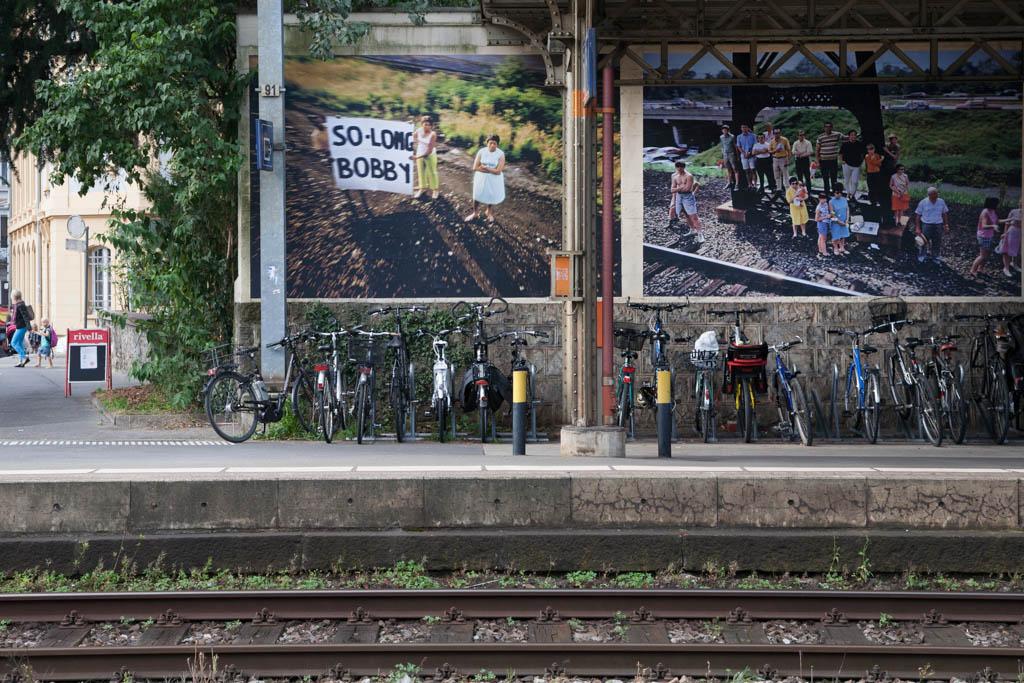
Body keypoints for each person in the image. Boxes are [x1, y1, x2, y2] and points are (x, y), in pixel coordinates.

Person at [465, 135, 506, 223]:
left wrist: (486, 168)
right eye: (490, 143)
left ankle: (489, 212)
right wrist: (492, 170)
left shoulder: (501, 154)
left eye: (494, 143)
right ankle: (475, 213)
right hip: (481, 177)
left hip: (494, 179)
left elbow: (498, 171)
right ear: (487, 143)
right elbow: (475, 167)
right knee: (477, 194)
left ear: (497, 145)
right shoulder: (481, 151)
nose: (492, 145)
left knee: (491, 194)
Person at [669, 161, 705, 243]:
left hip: (687, 197)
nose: (679, 169)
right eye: (677, 167)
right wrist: (681, 187)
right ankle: (692, 229)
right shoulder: (675, 176)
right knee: (685, 214)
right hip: (679, 197)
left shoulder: (689, 176)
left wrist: (679, 188)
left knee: (693, 216)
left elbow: (687, 189)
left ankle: (700, 234)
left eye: (680, 167)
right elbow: (672, 190)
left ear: (683, 167)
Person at [914, 186, 950, 263]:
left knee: (937, 241)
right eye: (934, 194)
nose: (936, 196)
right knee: (923, 241)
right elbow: (918, 216)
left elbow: (944, 213)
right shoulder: (923, 202)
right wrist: (917, 227)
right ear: (929, 195)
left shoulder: (941, 201)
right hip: (926, 224)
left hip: (938, 224)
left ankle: (935, 256)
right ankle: (922, 256)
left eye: (937, 194)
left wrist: (946, 225)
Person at [410, 116, 439, 200]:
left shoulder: (433, 134)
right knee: (421, 172)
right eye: (424, 124)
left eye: (428, 125)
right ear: (421, 124)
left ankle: (435, 190)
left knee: (432, 173)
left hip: (430, 155)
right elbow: (411, 136)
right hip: (419, 153)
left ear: (431, 126)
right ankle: (422, 188)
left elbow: (429, 151)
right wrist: (407, 127)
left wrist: (416, 157)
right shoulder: (419, 130)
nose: (426, 126)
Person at [815, 121, 843, 196]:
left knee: (834, 178)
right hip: (823, 161)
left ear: (832, 127)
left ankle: (835, 193)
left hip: (833, 160)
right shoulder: (820, 137)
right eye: (826, 127)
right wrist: (817, 161)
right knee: (825, 178)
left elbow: (846, 138)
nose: (828, 128)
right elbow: (817, 150)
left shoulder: (837, 135)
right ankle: (826, 193)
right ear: (824, 128)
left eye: (829, 127)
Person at [839, 130, 866, 199]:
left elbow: (863, 154)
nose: (853, 136)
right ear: (849, 136)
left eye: (854, 135)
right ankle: (848, 193)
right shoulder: (845, 144)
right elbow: (840, 153)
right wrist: (842, 161)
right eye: (852, 135)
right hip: (846, 164)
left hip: (856, 165)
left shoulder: (860, 144)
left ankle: (853, 193)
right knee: (847, 180)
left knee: (855, 181)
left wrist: (861, 162)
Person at [998, 204, 1022, 278]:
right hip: (1012, 231)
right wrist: (1005, 233)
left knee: (1019, 249)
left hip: (1021, 232)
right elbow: (1007, 223)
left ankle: (1014, 264)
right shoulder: (1014, 211)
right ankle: (1006, 268)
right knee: (1007, 249)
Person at [829, 183, 851, 256]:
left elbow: (847, 209)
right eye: (836, 193)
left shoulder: (844, 199)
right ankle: (835, 248)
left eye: (839, 193)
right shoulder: (831, 202)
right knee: (836, 236)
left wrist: (847, 219)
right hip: (836, 222)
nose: (838, 194)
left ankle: (842, 247)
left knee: (843, 235)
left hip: (844, 220)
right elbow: (832, 214)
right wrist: (839, 222)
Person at [9, 291, 30, 368]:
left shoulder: (20, 305)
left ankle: (25, 357)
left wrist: (29, 327)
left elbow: (25, 317)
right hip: (20, 326)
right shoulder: (18, 304)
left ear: (14, 296)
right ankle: (21, 362)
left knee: (13, 343)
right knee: (19, 343)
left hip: (21, 327)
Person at [735, 124, 758, 188]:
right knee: (747, 170)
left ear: (748, 128)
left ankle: (755, 184)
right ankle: (750, 184)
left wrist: (750, 152)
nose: (744, 129)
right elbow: (738, 146)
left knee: (753, 169)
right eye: (742, 127)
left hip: (752, 154)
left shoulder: (753, 136)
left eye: (745, 127)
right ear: (741, 128)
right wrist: (744, 153)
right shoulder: (739, 137)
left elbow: (755, 145)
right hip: (744, 155)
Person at [719, 125, 740, 189]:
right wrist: (722, 155)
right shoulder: (721, 137)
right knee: (728, 169)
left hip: (732, 154)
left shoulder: (732, 136)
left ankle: (737, 184)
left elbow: (735, 146)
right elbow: (722, 146)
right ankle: (729, 182)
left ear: (728, 130)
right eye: (723, 130)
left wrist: (737, 156)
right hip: (725, 154)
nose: (724, 131)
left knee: (735, 168)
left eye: (725, 130)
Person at [814, 194, 832, 259]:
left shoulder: (826, 204)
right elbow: (816, 219)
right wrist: (826, 217)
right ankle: (824, 252)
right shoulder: (818, 208)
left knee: (820, 237)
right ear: (819, 199)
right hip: (821, 224)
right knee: (823, 238)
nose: (824, 200)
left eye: (825, 199)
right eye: (823, 199)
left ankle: (820, 249)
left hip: (826, 223)